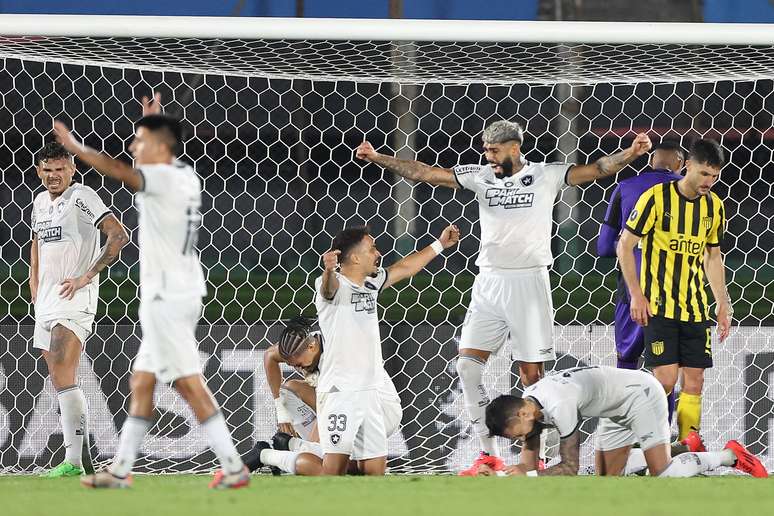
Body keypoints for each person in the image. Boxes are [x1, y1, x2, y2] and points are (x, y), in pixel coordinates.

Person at [356, 121, 652, 471]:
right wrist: (378, 158)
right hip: (489, 283)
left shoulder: (547, 174)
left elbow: (599, 168)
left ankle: (539, 456)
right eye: (485, 149)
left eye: (494, 150)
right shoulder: (480, 176)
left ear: (514, 147)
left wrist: (631, 153)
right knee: (466, 367)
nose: (488, 156)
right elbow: (424, 173)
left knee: (531, 377)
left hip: (530, 284)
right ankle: (487, 453)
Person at [53, 93, 247, 489]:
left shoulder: (161, 177)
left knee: (189, 383)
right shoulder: (184, 175)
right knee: (141, 381)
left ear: (160, 146)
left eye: (139, 140)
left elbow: (126, 173)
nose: (132, 146)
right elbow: (145, 168)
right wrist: (151, 121)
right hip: (176, 292)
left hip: (168, 298)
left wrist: (76, 149)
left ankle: (233, 466)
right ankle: (121, 470)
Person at [314, 223, 459, 475]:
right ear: (356, 257)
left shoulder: (372, 284)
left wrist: (440, 244)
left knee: (375, 473)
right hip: (340, 392)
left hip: (371, 392)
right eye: (372, 248)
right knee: (332, 472)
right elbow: (328, 289)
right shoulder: (332, 285)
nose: (378, 253)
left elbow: (404, 268)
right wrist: (328, 270)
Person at [617, 139, 730, 443]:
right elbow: (624, 245)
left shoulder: (713, 207)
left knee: (695, 380)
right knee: (664, 381)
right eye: (705, 173)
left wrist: (723, 302)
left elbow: (712, 255)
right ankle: (647, 444)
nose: (709, 182)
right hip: (660, 306)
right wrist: (636, 295)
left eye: (715, 176)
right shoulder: (656, 198)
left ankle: (687, 446)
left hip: (695, 308)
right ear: (687, 165)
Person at [30, 141, 129, 477]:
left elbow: (118, 235)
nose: (54, 175)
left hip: (74, 299)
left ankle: (77, 460)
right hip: (45, 301)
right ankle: (76, 458)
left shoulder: (82, 196)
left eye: (60, 169)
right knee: (59, 380)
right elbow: (36, 247)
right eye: (47, 170)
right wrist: (34, 290)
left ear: (72, 169)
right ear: (39, 171)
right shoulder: (40, 202)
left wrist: (87, 276)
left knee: (62, 370)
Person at [482, 366, 767, 478]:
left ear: (522, 414)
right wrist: (501, 477)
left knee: (663, 474)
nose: (519, 440)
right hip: (615, 407)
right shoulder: (530, 403)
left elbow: (570, 468)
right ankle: (682, 447)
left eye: (514, 434)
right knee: (607, 477)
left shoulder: (559, 404)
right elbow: (529, 467)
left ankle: (729, 456)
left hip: (641, 394)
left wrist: (526, 475)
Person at [235, 316, 403, 477]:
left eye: (300, 365)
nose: (301, 370)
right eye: (294, 366)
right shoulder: (301, 345)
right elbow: (270, 355)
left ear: (311, 347)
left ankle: (272, 452)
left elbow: (328, 410)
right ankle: (289, 447)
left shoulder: (335, 363)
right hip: (348, 405)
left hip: (382, 412)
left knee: (333, 467)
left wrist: (310, 449)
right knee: (289, 391)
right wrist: (282, 414)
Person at [597, 140, 684, 424]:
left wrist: (634, 248)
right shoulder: (691, 191)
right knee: (667, 368)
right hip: (675, 292)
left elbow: (604, 247)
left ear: (651, 162)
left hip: (631, 292)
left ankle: (623, 440)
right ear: (680, 164)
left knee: (627, 363)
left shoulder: (624, 188)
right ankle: (662, 436)